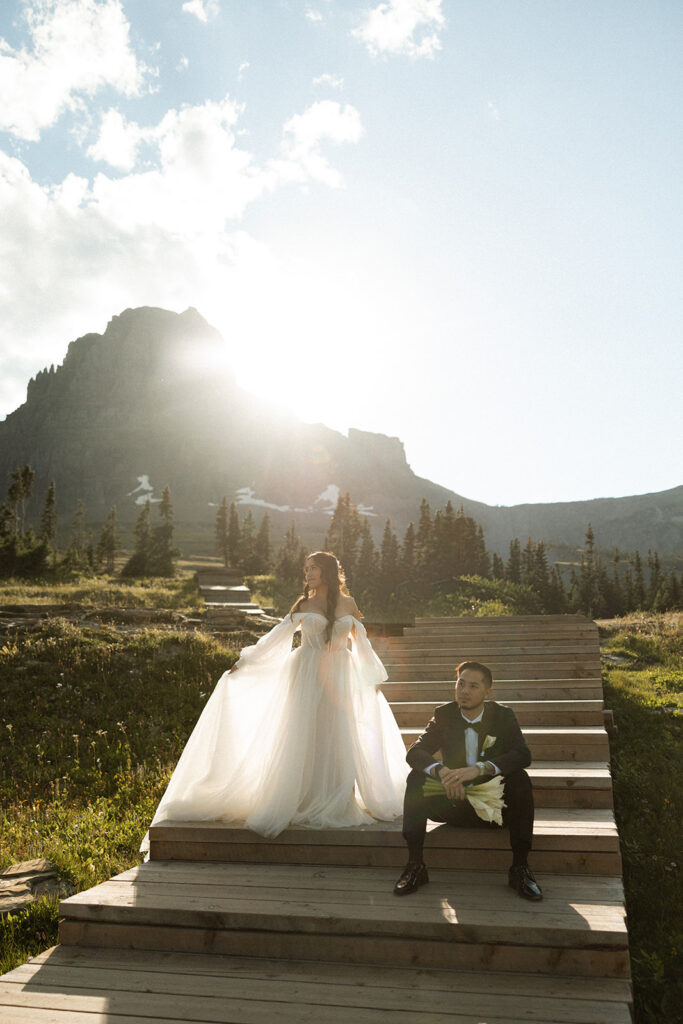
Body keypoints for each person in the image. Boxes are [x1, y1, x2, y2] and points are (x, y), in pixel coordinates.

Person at [141, 551, 407, 849]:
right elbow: (279, 635)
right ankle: (301, 795)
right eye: (305, 568)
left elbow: (362, 644)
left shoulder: (349, 604)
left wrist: (370, 678)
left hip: (341, 676)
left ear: (328, 572)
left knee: (339, 734)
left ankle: (337, 796)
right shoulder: (304, 603)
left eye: (313, 568)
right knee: (302, 733)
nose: (307, 574)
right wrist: (246, 661)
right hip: (306, 674)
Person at [393, 660, 543, 900]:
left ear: (488, 692)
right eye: (460, 684)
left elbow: (522, 754)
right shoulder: (444, 715)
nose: (464, 691)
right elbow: (415, 752)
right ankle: (415, 865)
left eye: (473, 686)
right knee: (416, 778)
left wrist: (481, 769)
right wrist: (441, 772)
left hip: (494, 810)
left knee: (520, 779)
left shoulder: (503, 716)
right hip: (451, 805)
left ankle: (520, 868)